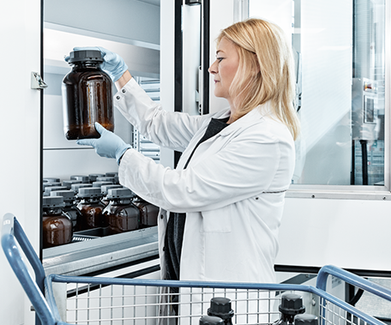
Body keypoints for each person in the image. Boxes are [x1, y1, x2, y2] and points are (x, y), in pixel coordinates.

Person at [76, 18, 300, 284]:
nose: (210, 68)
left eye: (220, 58)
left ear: (255, 65)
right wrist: (120, 75)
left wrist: (122, 155)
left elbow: (182, 190)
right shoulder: (219, 123)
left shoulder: (267, 139)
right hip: (186, 282)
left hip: (228, 295)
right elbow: (157, 123)